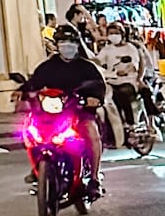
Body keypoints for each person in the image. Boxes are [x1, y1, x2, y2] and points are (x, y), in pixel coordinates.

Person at [20, 22, 107, 194]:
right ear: (57, 44)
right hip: (51, 114)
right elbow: (35, 83)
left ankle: (95, 179)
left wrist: (94, 98)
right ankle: (38, 167)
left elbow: (98, 86)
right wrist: (22, 92)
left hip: (79, 112)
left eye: (70, 42)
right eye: (62, 41)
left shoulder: (86, 67)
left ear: (77, 44)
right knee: (30, 132)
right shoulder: (48, 66)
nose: (67, 46)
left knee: (91, 133)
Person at [99, 22, 154, 147]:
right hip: (110, 81)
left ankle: (130, 124)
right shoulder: (107, 49)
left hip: (128, 81)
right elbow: (98, 60)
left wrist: (126, 70)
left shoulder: (130, 48)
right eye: (111, 33)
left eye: (116, 33)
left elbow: (133, 64)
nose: (113, 36)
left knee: (121, 94)